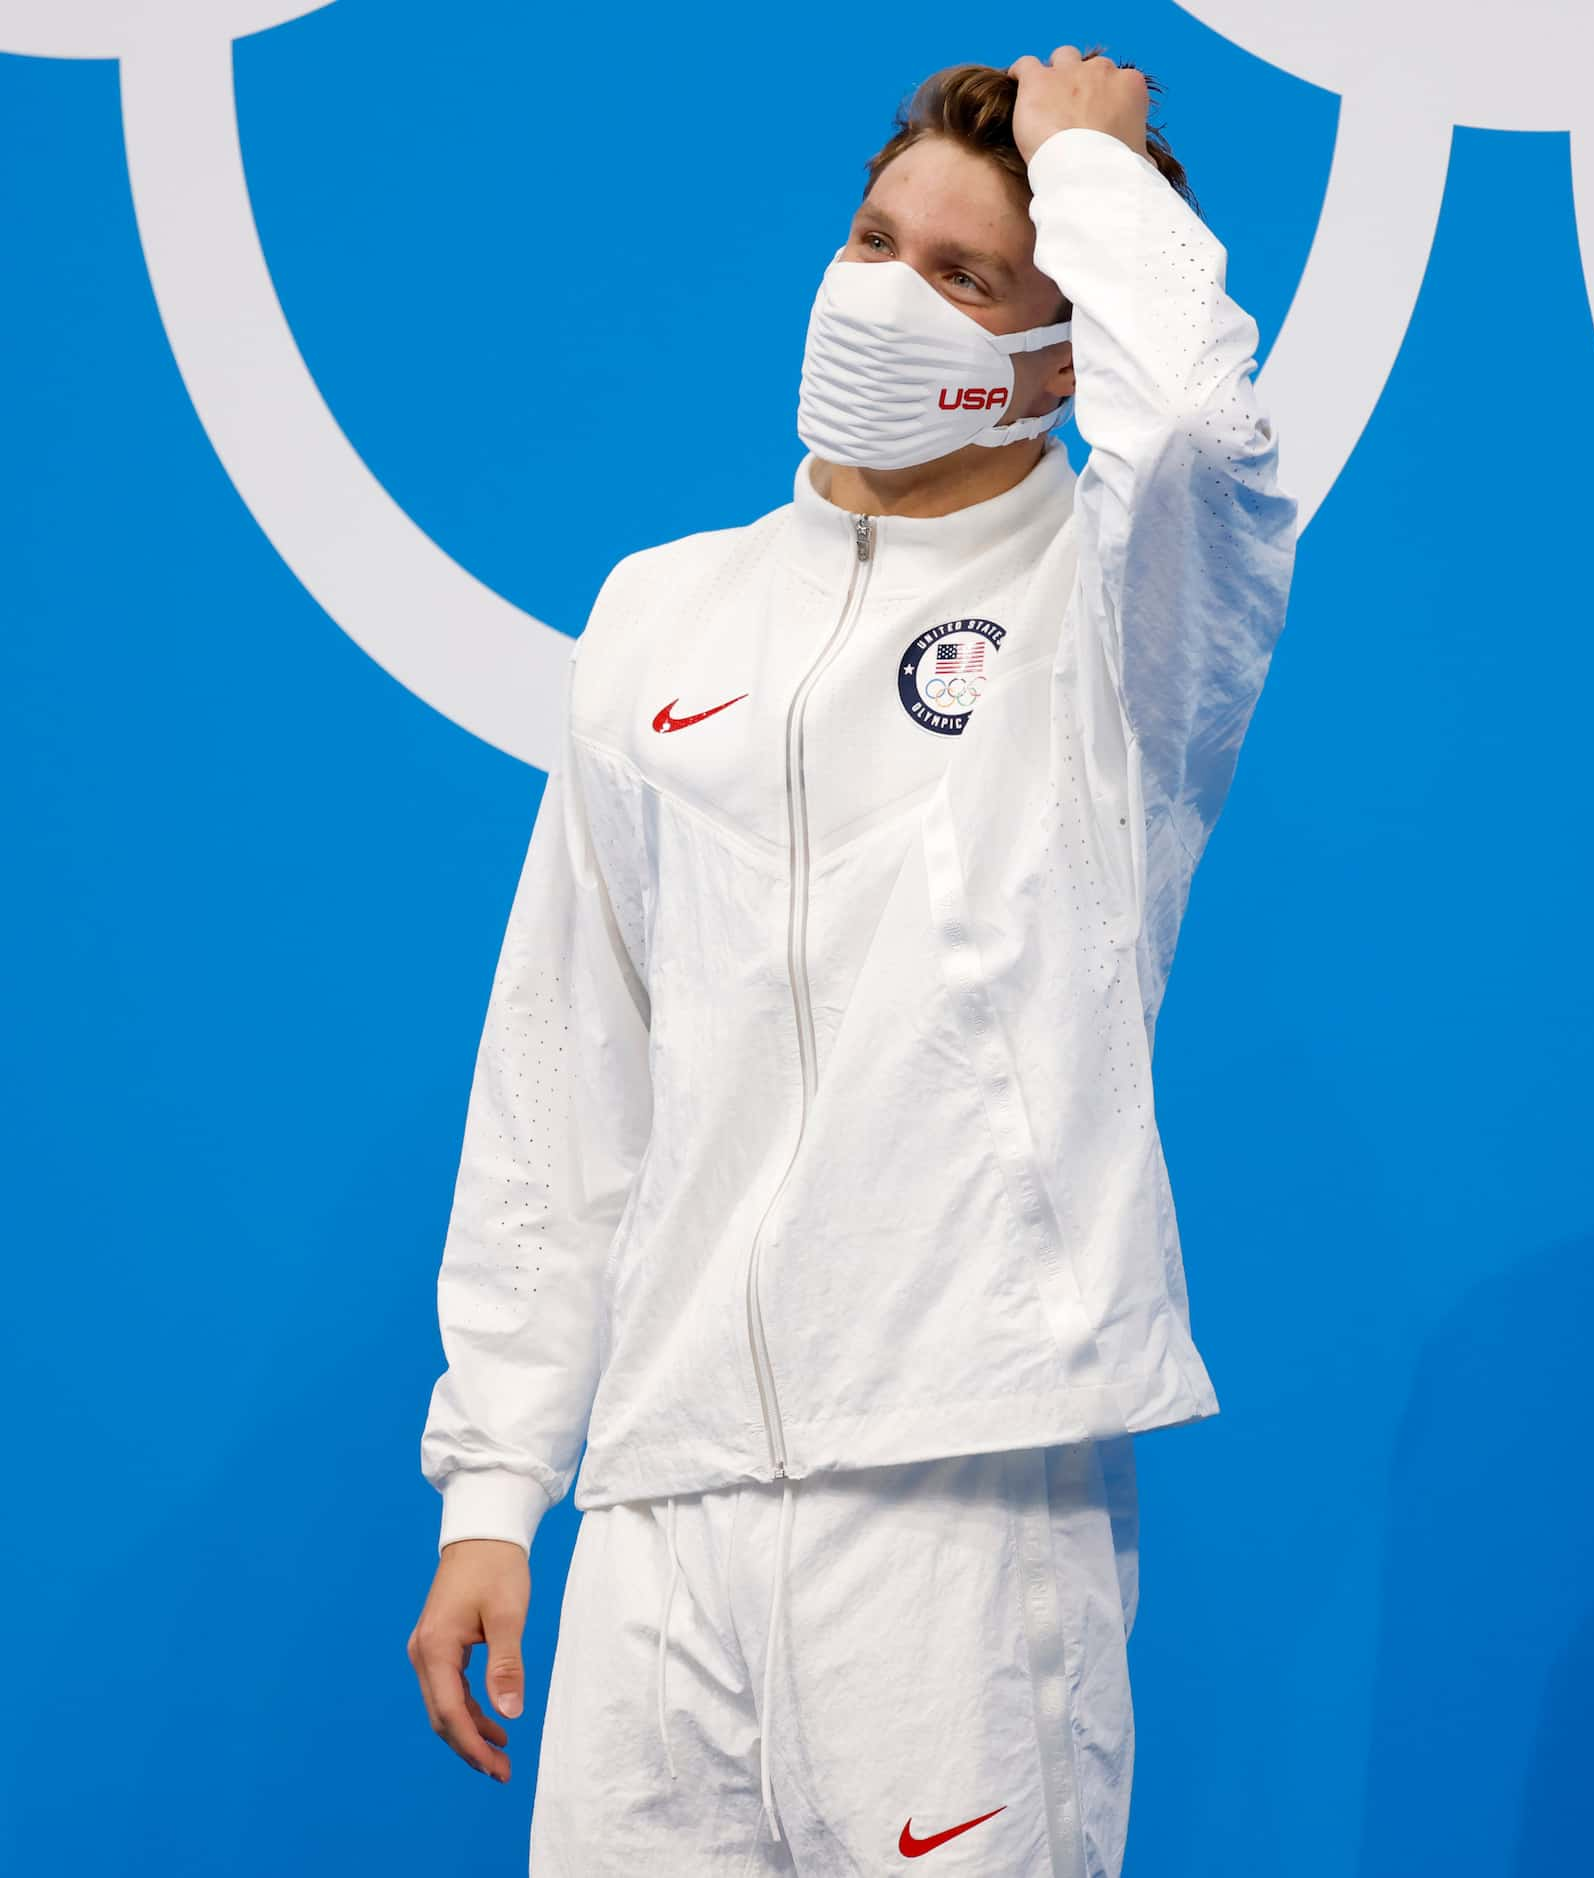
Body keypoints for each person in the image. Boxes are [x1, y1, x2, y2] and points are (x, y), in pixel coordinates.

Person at [403, 43, 1296, 1876]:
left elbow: (1201, 434)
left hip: (958, 1487)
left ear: (1053, 364)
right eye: (875, 239)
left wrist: (1092, 170)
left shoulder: (1117, 617)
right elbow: (575, 1058)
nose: (884, 294)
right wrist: (498, 1482)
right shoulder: (663, 611)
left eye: (964, 276)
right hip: (666, 1500)